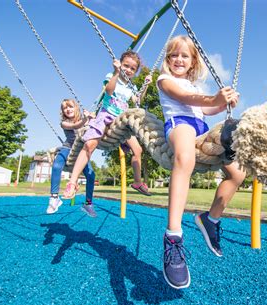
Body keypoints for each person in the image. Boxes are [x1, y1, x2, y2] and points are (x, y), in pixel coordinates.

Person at [157, 35, 246, 289]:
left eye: (184, 55)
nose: (178, 59)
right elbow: (187, 100)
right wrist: (213, 99)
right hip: (180, 125)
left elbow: (206, 109)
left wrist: (223, 103)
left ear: (193, 61)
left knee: (238, 174)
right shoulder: (165, 80)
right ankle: (173, 236)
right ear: (168, 59)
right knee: (185, 157)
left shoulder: (195, 87)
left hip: (201, 129)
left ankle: (211, 219)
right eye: (174, 54)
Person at [63, 51, 152, 200]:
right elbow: (109, 92)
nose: (128, 70)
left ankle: (137, 182)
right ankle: (72, 183)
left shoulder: (131, 86)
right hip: (105, 115)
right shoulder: (111, 76)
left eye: (132, 69)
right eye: (126, 66)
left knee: (138, 149)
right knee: (89, 145)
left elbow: (137, 101)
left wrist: (146, 86)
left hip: (120, 121)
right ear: (120, 64)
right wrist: (116, 72)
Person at [46, 99, 96, 217]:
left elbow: (92, 129)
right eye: (65, 108)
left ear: (76, 108)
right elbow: (75, 125)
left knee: (91, 175)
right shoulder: (64, 123)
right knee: (57, 165)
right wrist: (86, 119)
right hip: (67, 148)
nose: (68, 109)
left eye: (70, 106)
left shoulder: (84, 121)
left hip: (81, 152)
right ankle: (54, 198)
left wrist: (92, 118)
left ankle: (88, 203)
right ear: (63, 111)